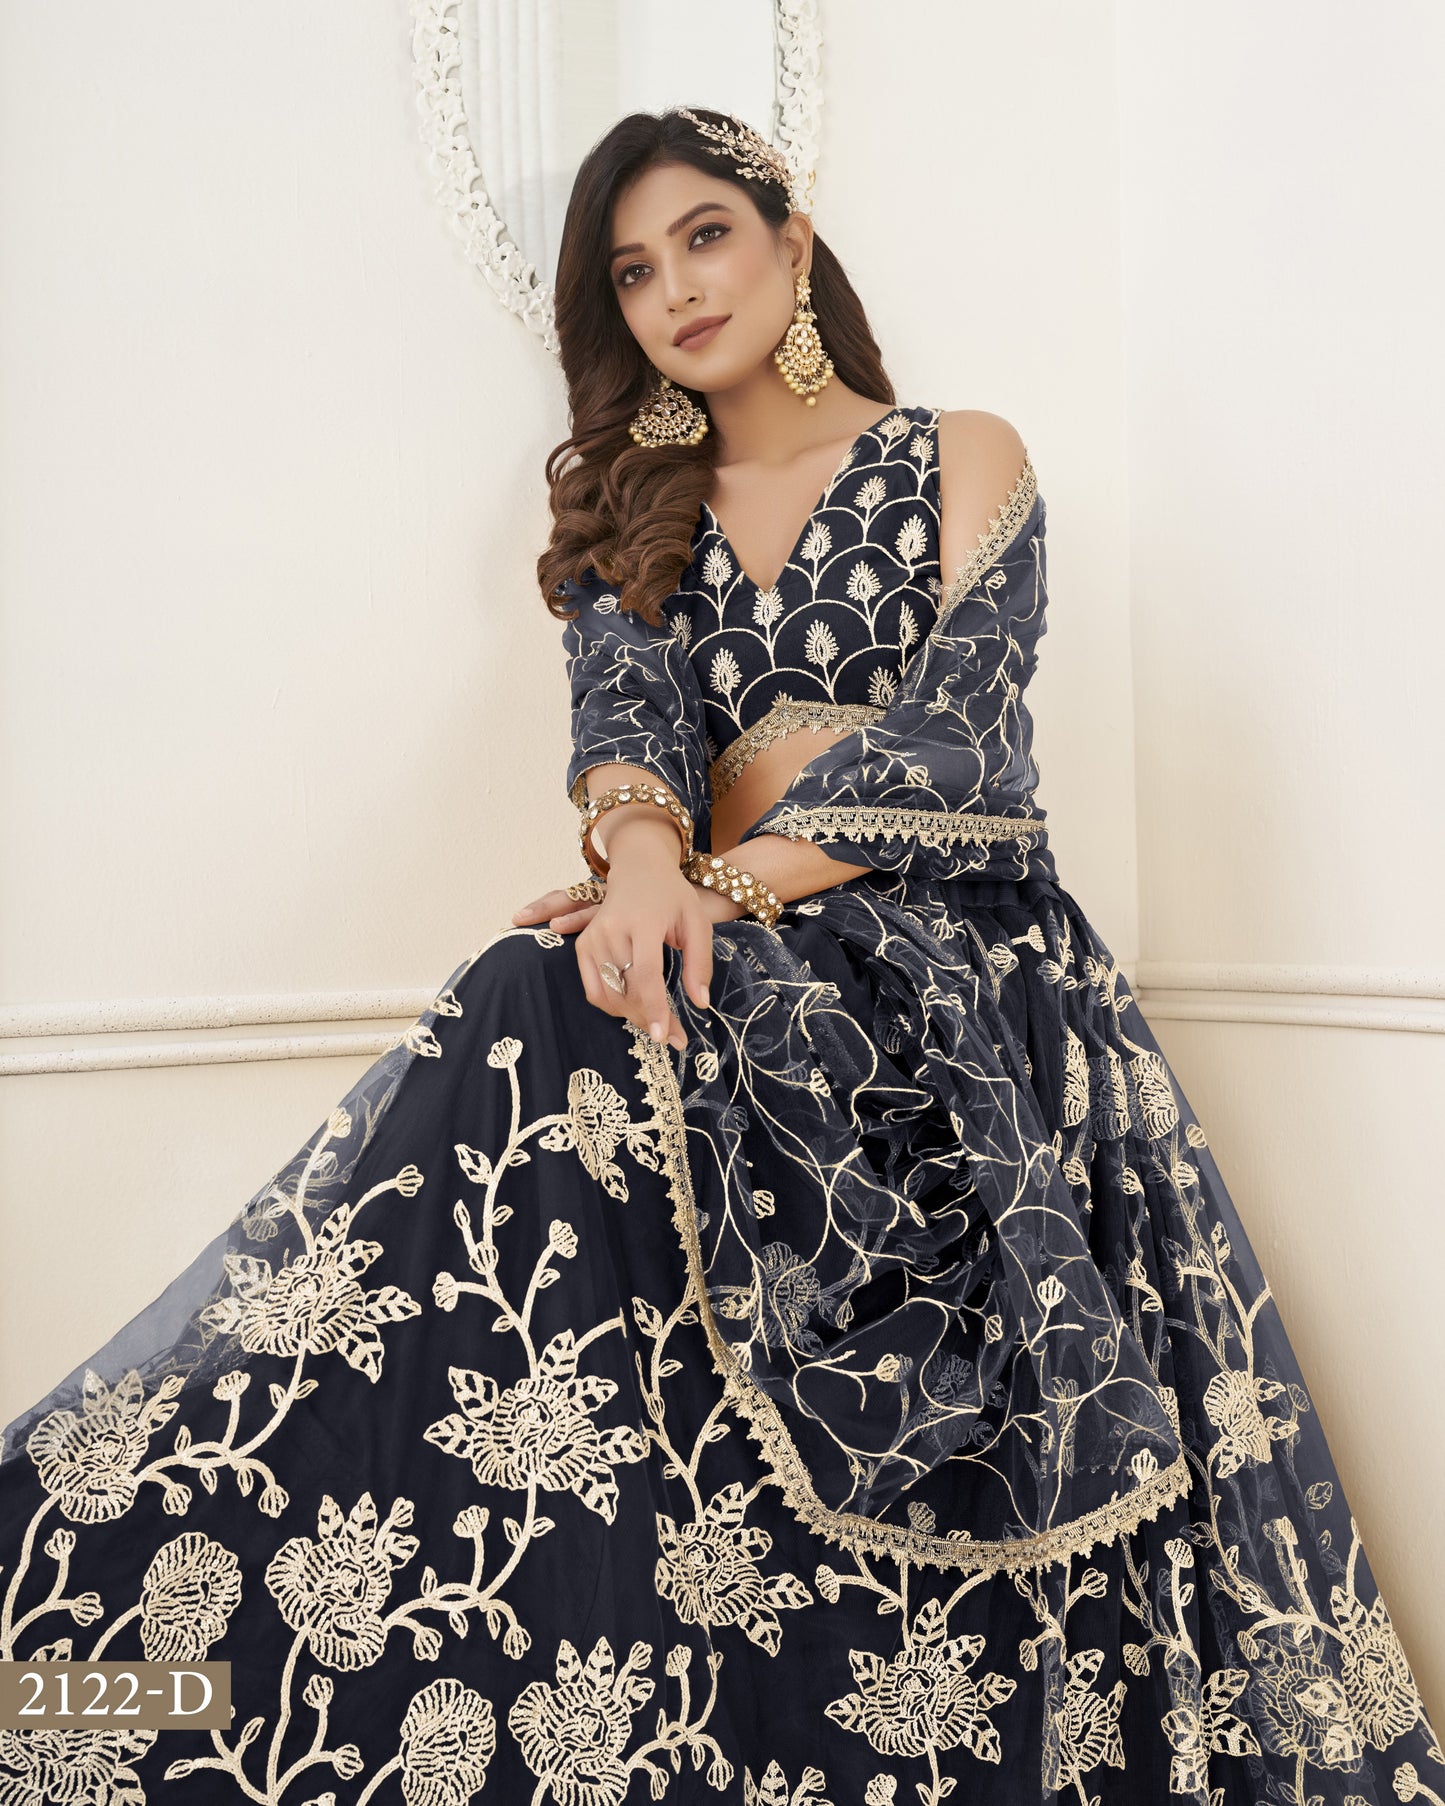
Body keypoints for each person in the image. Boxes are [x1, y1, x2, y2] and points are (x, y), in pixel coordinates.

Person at [0, 103, 1437, 1806]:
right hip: (723, 952)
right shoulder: (638, 511)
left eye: (703, 238)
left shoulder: (957, 453)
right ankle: (112, 1660)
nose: (674, 289)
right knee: (521, 999)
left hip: (956, 978)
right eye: (631, 272)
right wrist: (635, 877)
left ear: (788, 242)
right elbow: (624, 740)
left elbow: (959, 748)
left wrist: (720, 882)